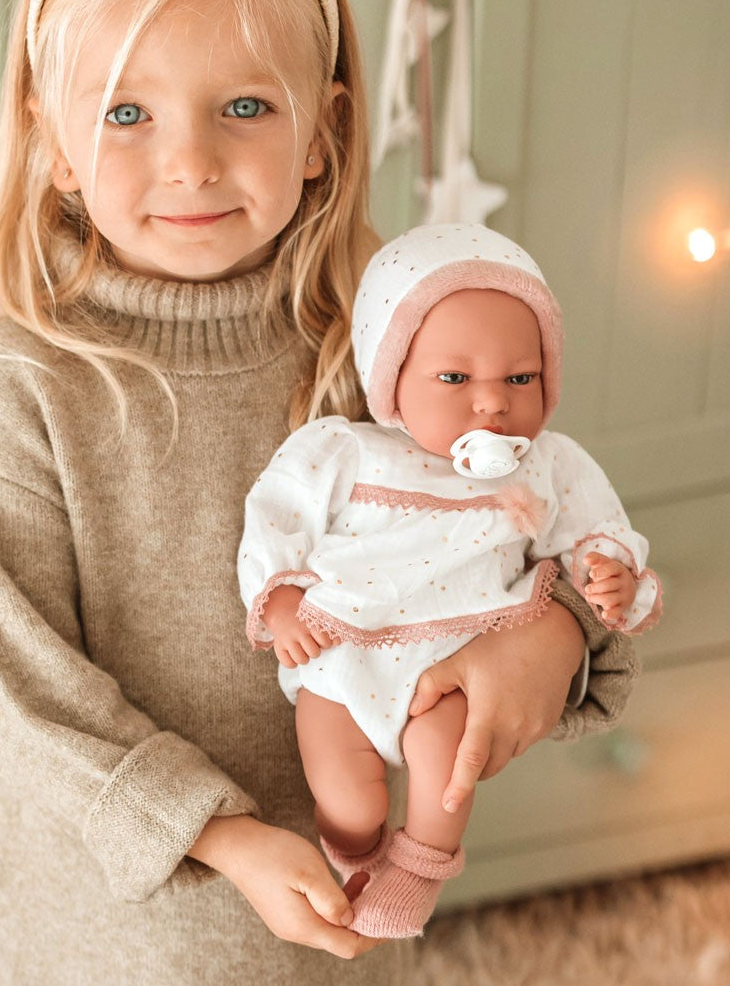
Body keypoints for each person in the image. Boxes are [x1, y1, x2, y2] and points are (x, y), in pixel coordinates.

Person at [0, 0, 639, 981]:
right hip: (108, 941)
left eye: (245, 107)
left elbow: (543, 520)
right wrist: (220, 835)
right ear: (53, 139)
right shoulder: (22, 388)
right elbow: (15, 693)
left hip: (342, 931)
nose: (189, 161)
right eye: (125, 113)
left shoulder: (385, 352)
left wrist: (559, 635)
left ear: (324, 129)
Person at [238, 222, 662, 939]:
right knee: (338, 777)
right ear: (391, 379)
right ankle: (355, 856)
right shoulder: (347, 450)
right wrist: (277, 597)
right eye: (455, 379)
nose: (491, 403)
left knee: (447, 763)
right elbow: (277, 513)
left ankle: (417, 871)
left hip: (461, 660)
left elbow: (599, 529)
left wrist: (611, 571)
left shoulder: (549, 463)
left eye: (519, 378)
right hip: (344, 644)